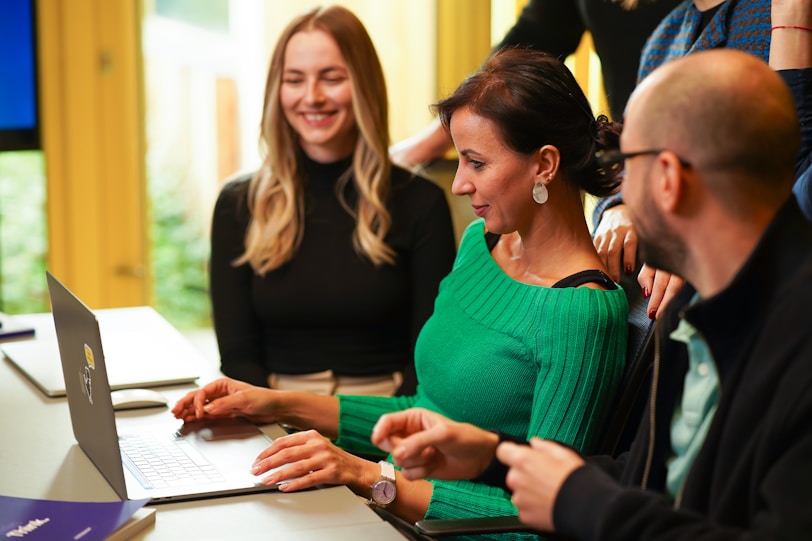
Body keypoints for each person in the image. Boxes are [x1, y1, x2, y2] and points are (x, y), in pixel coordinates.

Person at [372, 10, 812, 537]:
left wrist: (583, 503)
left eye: (627, 162)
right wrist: (495, 456)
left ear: (668, 179)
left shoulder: (796, 336)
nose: (614, 193)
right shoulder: (691, 306)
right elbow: (643, 477)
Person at [173, 48, 629, 531]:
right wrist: (274, 403)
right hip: (394, 508)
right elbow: (419, 412)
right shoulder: (482, 244)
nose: (459, 184)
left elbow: (546, 518)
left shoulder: (582, 312)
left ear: (544, 165)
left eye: (476, 163)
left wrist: (368, 477)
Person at [209, 5, 456, 397]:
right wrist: (276, 420)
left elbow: (428, 360)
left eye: (332, 78)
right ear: (277, 90)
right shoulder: (237, 204)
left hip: (386, 416)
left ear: (363, 84)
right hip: (272, 413)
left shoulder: (421, 202)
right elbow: (238, 358)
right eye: (294, 79)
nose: (312, 97)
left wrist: (377, 428)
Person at [593, 0, 772, 318]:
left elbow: (782, 167)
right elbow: (634, 158)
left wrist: (693, 238)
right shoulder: (665, 36)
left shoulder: (774, 22)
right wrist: (619, 206)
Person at [389, 0, 680, 171]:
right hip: (630, 162)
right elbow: (536, 36)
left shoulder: (689, 24)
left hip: (685, 160)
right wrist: (436, 139)